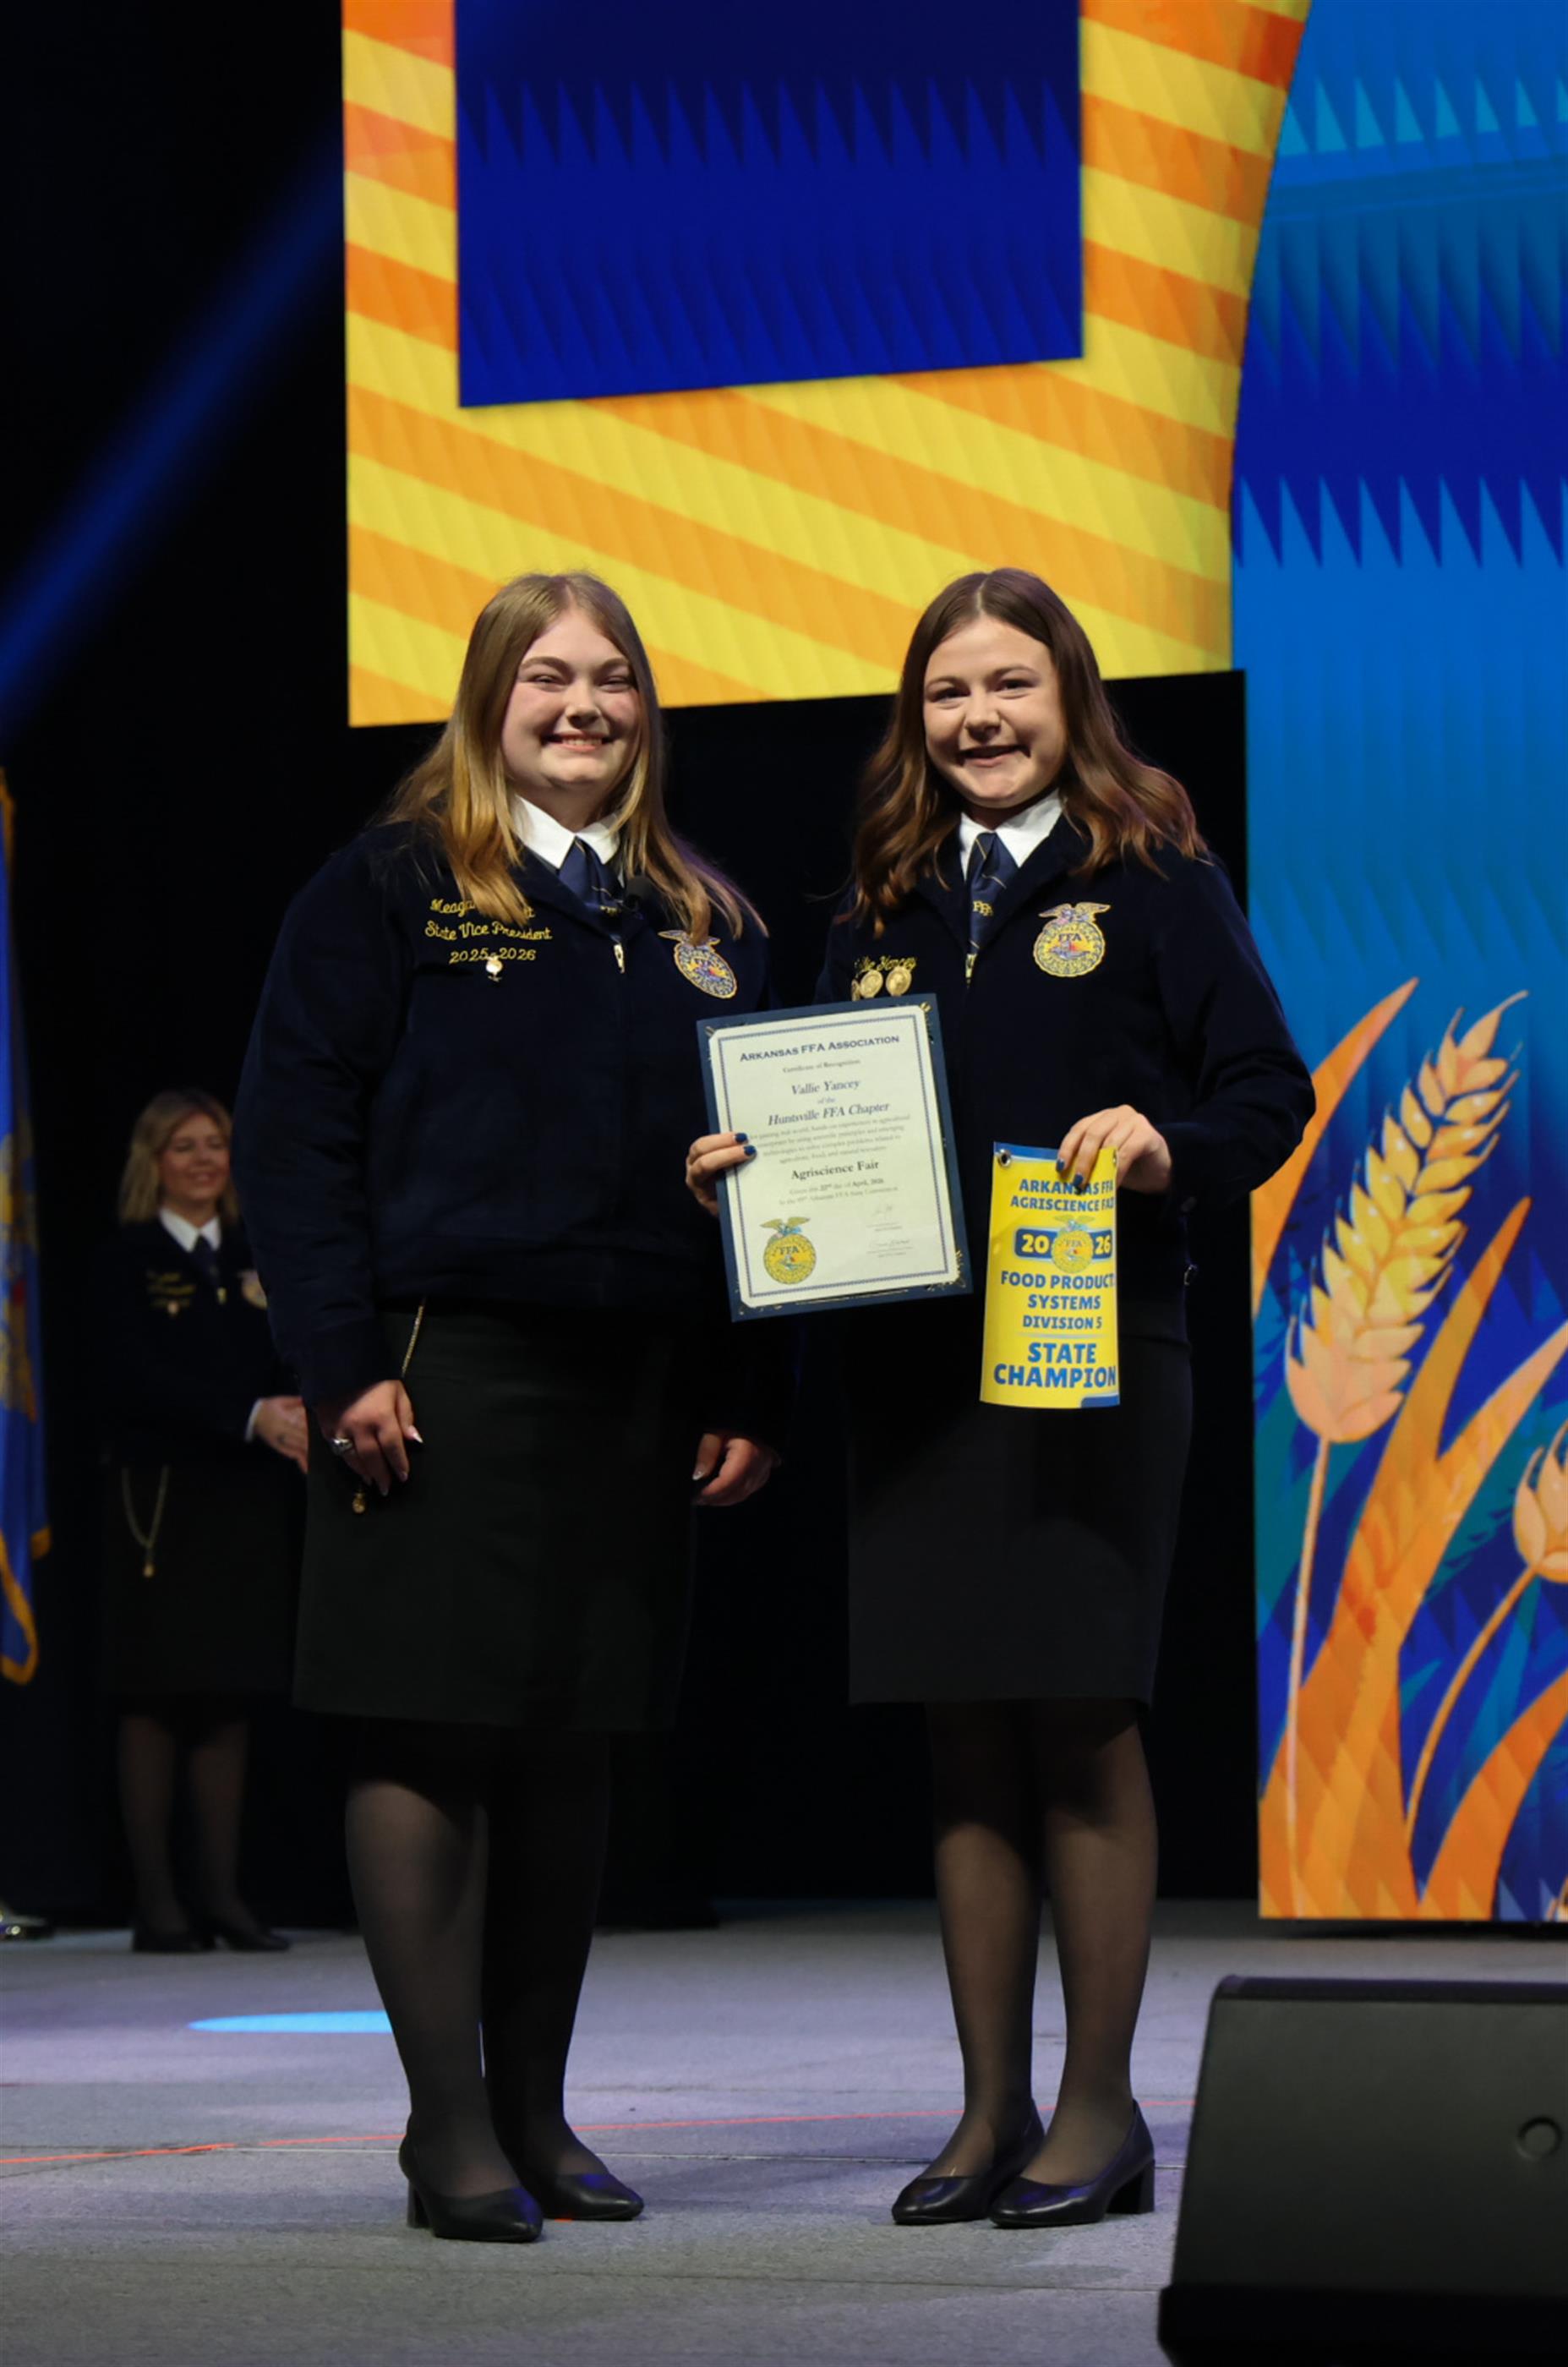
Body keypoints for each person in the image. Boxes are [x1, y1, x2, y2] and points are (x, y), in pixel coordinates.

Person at [688, 568, 1313, 2230]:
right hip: (908, 1370)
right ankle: (989, 2110)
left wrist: (1170, 1146)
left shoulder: (1153, 873)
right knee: (961, 1732)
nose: (980, 717)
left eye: (1010, 685)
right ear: (917, 717)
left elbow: (1270, 1087)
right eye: (949, 691)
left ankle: (1101, 2113)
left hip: (1091, 1353)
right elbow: (825, 1135)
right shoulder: (878, 898)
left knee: (1080, 1716)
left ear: (1070, 698)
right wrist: (751, 1173)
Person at [235, 571, 783, 2246]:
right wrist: (340, 1363)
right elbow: (293, 1140)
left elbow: (775, 1175)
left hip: (639, 1376)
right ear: (485, 701)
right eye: (546, 676)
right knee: (427, 1729)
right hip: (437, 1365)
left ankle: (537, 2113)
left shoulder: (709, 917)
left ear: (647, 707)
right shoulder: (388, 885)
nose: (582, 704)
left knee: (571, 1739)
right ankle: (449, 2124)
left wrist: (744, 1375)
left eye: (611, 676)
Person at [101, 1090, 307, 1954]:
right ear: (154, 1162)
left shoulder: (258, 1253)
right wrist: (248, 1414)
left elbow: (290, 1350)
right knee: (157, 1693)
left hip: (245, 1499)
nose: (202, 1159)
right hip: (161, 1498)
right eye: (183, 1145)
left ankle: (222, 1896)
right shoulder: (129, 1256)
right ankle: (160, 1905)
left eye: (215, 1143)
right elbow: (131, 1375)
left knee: (231, 1693)